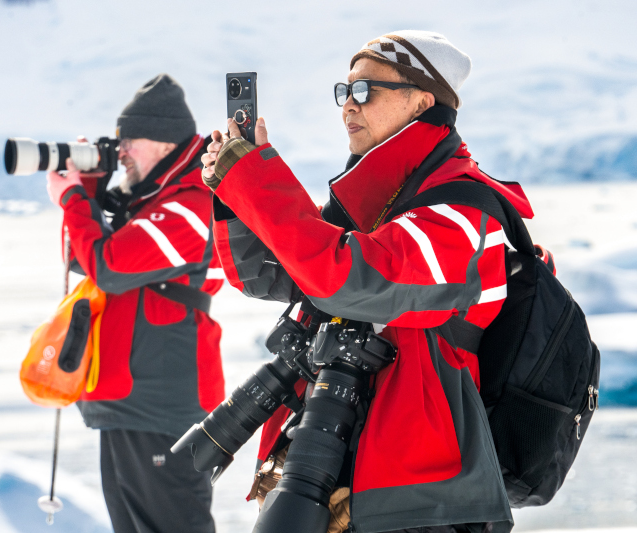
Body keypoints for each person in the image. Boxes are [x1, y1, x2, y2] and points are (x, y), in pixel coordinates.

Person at [202, 31, 534, 533]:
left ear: (422, 101)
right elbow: (269, 274)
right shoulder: (374, 208)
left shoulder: (462, 214)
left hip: (421, 502)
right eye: (345, 91)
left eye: (366, 91)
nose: (348, 107)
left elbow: (346, 278)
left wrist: (256, 181)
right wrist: (234, 191)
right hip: (341, 478)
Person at [46, 73, 226, 533]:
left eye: (130, 141)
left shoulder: (191, 204)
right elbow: (85, 261)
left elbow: (108, 265)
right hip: (129, 400)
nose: (120, 151)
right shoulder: (151, 204)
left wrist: (72, 199)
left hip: (163, 407)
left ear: (166, 145)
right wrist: (86, 193)